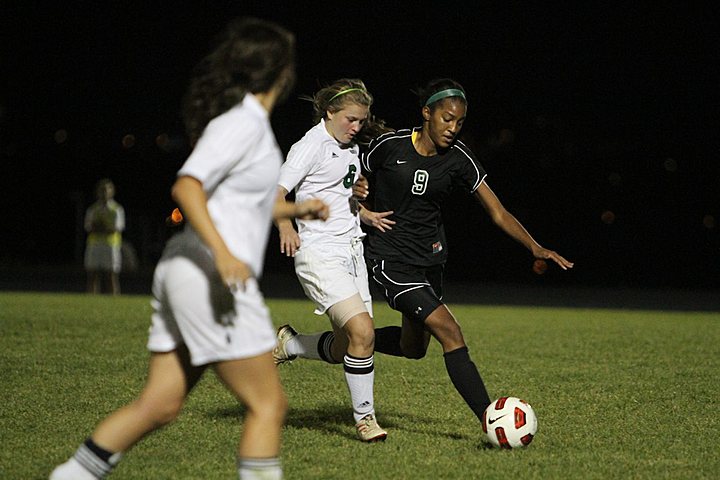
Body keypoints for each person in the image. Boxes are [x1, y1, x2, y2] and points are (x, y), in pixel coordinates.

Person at [50, 17, 328, 480]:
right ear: (281, 72)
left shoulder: (246, 122)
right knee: (268, 405)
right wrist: (222, 253)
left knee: (159, 405)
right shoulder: (243, 122)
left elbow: (230, 202)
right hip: (210, 277)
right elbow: (187, 187)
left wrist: (293, 212)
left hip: (187, 272)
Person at [301, 78, 574, 427]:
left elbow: (498, 211)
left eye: (459, 122)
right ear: (427, 113)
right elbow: (350, 171)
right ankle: (493, 420)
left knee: (413, 348)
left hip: (429, 262)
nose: (452, 128)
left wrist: (535, 246)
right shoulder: (390, 145)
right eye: (446, 119)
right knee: (450, 331)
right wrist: (359, 191)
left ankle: (301, 344)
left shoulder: (459, 158)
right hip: (390, 260)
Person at [272, 79, 394, 442]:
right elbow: (276, 192)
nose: (357, 127)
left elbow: (342, 196)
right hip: (319, 253)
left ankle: (290, 345)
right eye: (351, 120)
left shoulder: (350, 147)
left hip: (352, 252)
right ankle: (365, 419)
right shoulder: (310, 145)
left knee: (348, 346)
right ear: (329, 113)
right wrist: (285, 226)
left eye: (361, 121)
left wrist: (365, 213)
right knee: (363, 333)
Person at [84, 178, 125, 295]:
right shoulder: (92, 209)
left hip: (110, 245)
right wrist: (103, 228)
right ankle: (90, 302)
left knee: (111, 275)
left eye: (107, 190)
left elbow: (115, 228)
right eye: (102, 190)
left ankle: (114, 303)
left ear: (112, 191)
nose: (104, 193)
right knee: (92, 275)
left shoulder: (117, 209)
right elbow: (89, 227)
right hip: (94, 245)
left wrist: (99, 227)